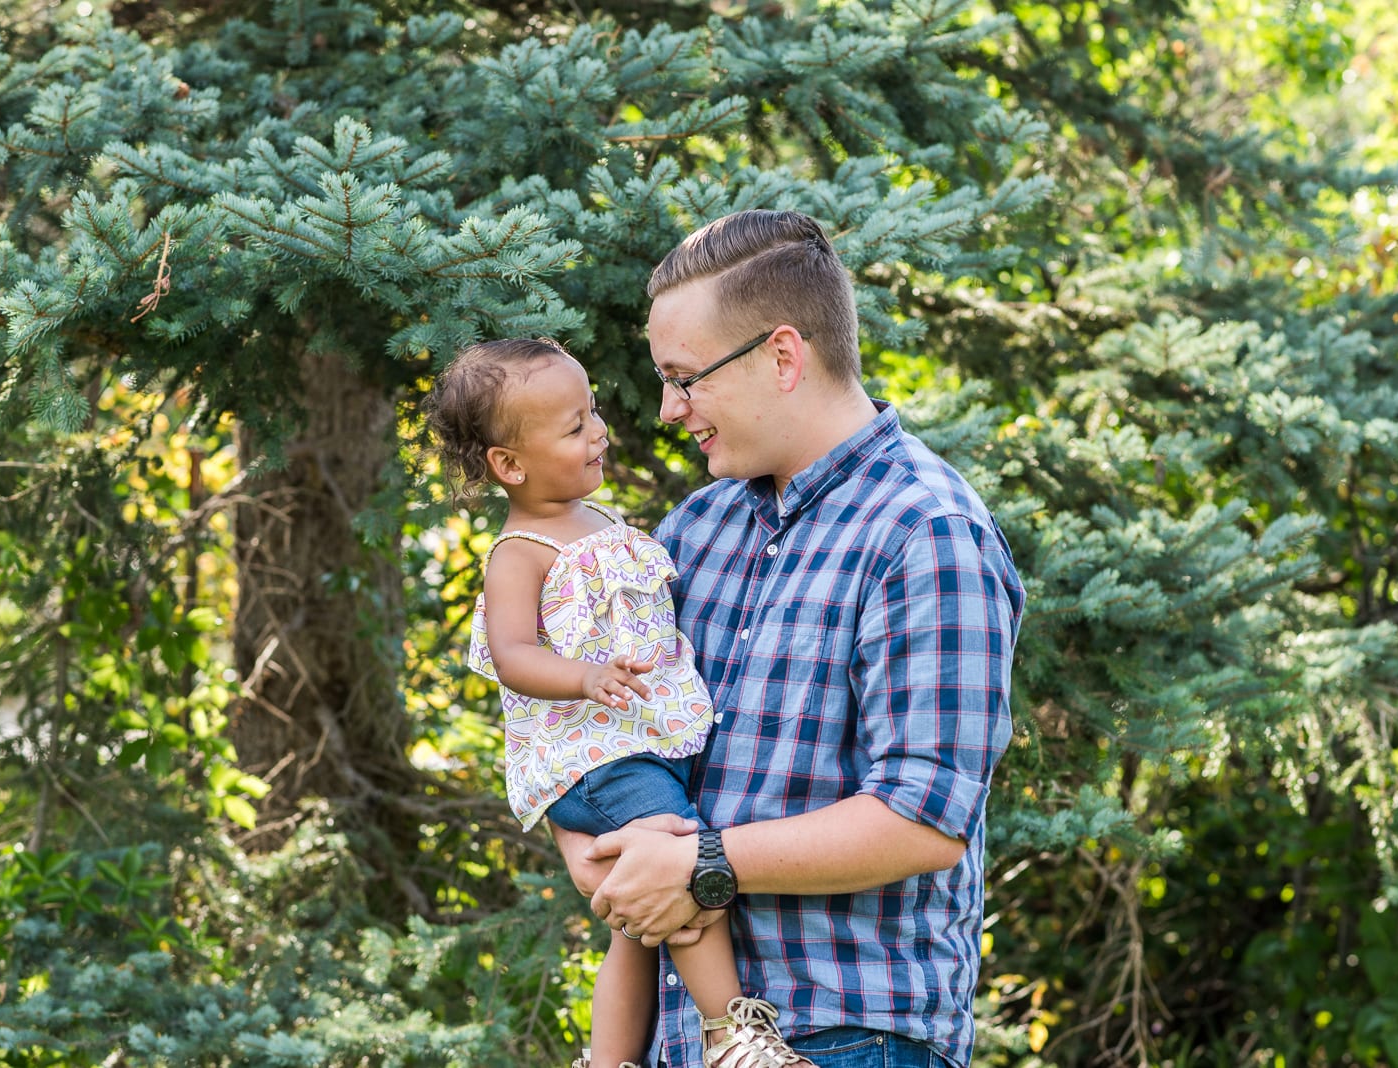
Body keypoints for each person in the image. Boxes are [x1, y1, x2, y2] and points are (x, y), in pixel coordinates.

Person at [554, 209, 1025, 1068]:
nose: (668, 409)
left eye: (685, 378)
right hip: (683, 1046)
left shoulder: (926, 531)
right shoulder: (696, 529)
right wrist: (596, 850)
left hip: (853, 1041)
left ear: (782, 356)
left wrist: (700, 862)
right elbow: (628, 737)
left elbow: (923, 819)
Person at [423, 338, 819, 1068]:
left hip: (631, 743)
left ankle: (609, 1061)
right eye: (574, 427)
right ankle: (731, 1036)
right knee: (678, 865)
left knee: (638, 921)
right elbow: (512, 656)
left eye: (594, 412)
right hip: (593, 756)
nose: (600, 430)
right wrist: (583, 676)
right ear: (510, 465)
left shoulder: (603, 522)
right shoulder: (521, 550)